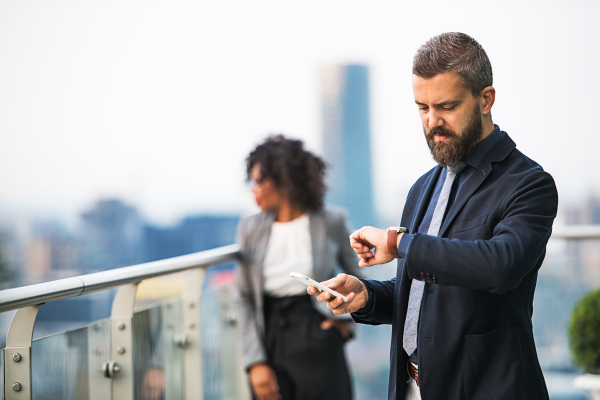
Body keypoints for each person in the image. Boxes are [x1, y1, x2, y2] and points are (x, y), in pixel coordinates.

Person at [308, 32, 558, 400]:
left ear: (486, 99)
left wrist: (397, 243)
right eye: (422, 107)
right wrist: (367, 297)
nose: (432, 122)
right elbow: (427, 292)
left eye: (446, 106)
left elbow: (499, 267)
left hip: (487, 388)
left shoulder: (528, 184)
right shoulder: (423, 187)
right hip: (412, 387)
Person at [236, 135, 363, 400]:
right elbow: (246, 298)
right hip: (269, 335)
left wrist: (346, 326)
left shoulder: (331, 221)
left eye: (260, 181)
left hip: (317, 330)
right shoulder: (250, 228)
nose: (254, 189)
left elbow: (358, 276)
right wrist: (255, 362)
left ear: (283, 180)